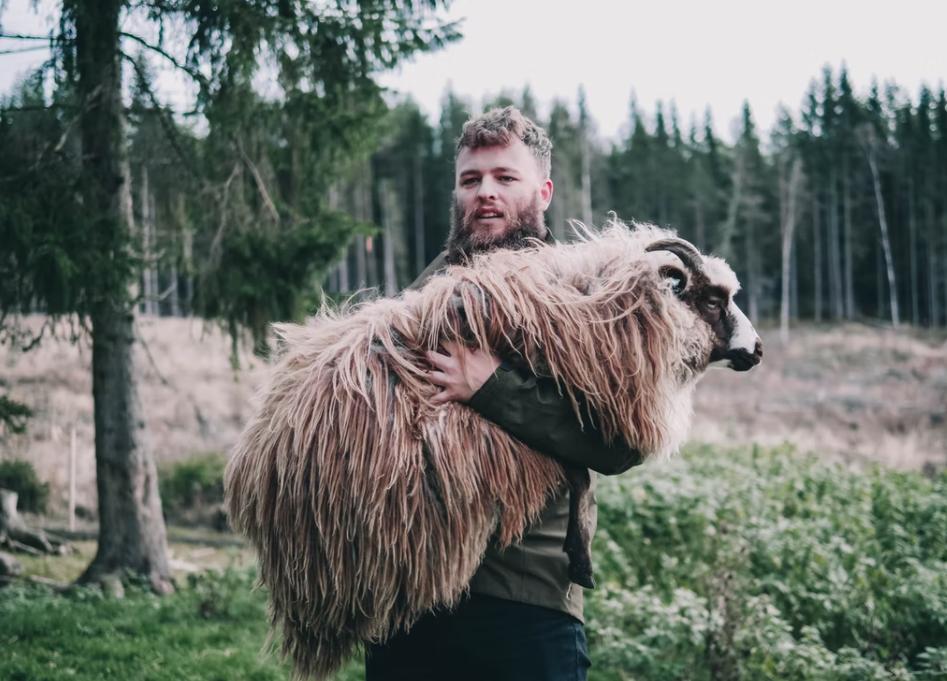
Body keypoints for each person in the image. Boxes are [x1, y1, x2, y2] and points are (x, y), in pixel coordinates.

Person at [365, 106, 642, 681]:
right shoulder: (426, 289)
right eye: (471, 180)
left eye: (503, 178)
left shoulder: (583, 295)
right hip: (410, 594)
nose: (485, 193)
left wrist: (490, 387)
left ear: (542, 190)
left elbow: (620, 443)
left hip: (523, 598)